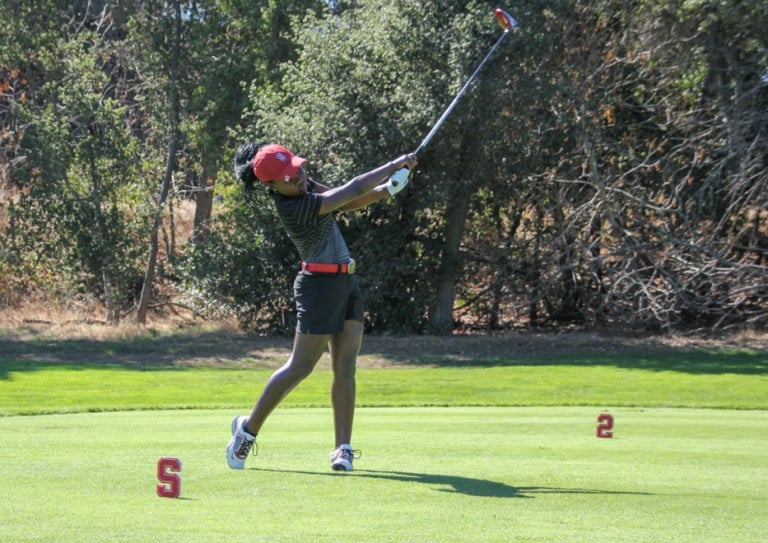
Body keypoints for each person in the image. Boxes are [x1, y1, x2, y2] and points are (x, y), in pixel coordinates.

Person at [228, 142, 417, 471]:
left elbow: (349, 201)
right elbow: (354, 186)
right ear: (272, 186)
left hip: (346, 282)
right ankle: (247, 432)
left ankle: (342, 448)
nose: (300, 176)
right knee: (300, 367)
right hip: (318, 287)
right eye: (291, 176)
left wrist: (388, 190)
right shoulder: (293, 208)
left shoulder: (302, 183)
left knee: (346, 366)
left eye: (299, 169)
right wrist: (396, 164)